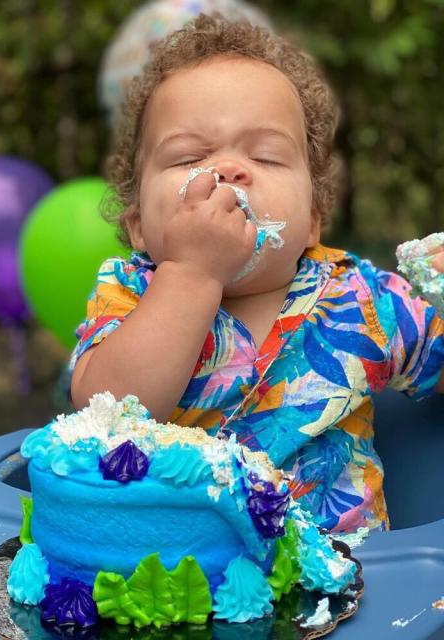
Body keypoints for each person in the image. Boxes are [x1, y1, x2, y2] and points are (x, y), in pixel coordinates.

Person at [70, 14, 444, 533]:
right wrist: (191, 272)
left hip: (351, 586)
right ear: (138, 227)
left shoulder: (362, 300)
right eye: (189, 157)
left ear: (312, 220)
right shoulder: (131, 289)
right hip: (172, 583)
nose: (227, 170)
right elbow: (103, 416)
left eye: (266, 155)